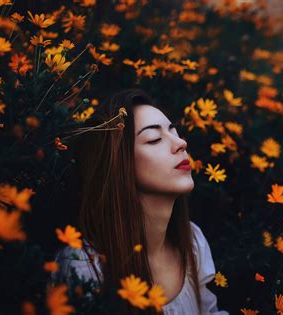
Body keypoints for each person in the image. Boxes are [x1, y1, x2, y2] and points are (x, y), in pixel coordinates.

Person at [50, 88, 229, 315]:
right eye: (154, 139)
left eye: (174, 131)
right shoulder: (84, 268)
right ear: (118, 165)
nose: (181, 143)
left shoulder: (193, 243)